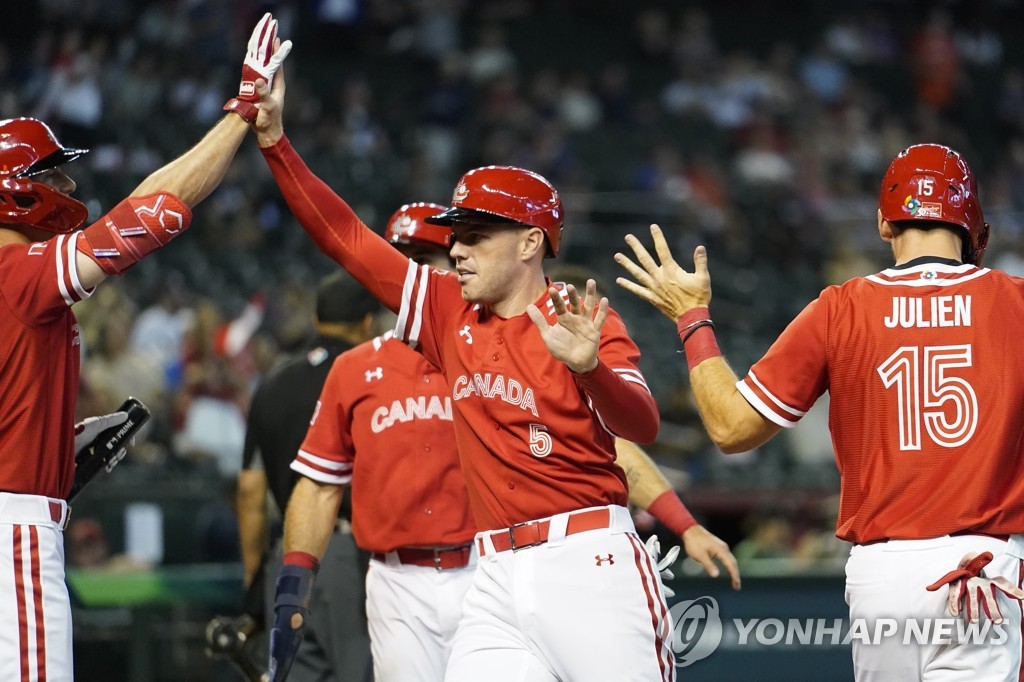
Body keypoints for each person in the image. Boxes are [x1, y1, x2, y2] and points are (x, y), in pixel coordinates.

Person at [253, 66, 676, 681]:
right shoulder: (447, 309)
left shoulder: (581, 320)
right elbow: (345, 236)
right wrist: (275, 141)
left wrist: (592, 372)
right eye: (456, 235)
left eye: (476, 235)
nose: (456, 249)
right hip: (494, 577)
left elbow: (645, 423)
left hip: (588, 563)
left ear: (530, 243)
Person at [615, 143, 1024, 680]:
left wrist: (692, 317)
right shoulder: (1016, 303)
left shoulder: (839, 308)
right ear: (977, 230)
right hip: (985, 571)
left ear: (883, 224)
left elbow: (731, 428)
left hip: (885, 576)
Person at [0, 13, 289, 681]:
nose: (67, 189)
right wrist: (241, 117)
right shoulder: (20, 275)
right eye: (53, 176)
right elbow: (149, 212)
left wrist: (55, 448)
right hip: (14, 528)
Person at [237, 272, 378, 682]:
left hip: (287, 558)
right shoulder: (369, 374)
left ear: (317, 321)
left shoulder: (274, 381)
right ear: (367, 324)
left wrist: (257, 582)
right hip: (350, 554)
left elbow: (249, 492)